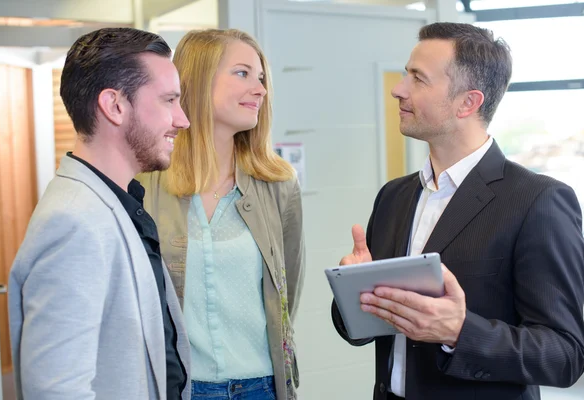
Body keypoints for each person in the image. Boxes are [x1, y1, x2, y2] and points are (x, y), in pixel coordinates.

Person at [332, 22, 584, 400]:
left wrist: (459, 331)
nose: (398, 89)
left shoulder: (539, 200)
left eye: (418, 79)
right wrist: (354, 296)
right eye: (406, 74)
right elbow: (363, 330)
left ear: (468, 102)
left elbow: (565, 356)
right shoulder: (393, 196)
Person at [8, 27, 192, 399]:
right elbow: (56, 389)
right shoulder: (73, 222)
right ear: (115, 106)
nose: (182, 120)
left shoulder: (116, 203)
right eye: (169, 101)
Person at [137, 29, 305, 400]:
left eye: (261, 78)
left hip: (262, 387)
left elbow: (286, 293)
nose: (260, 89)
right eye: (243, 73)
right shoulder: (145, 185)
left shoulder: (279, 184)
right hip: (178, 388)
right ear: (196, 81)